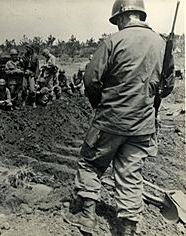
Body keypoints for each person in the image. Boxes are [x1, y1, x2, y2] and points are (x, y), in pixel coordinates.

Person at [64, 1, 174, 235]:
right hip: (143, 124)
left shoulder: (113, 41)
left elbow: (91, 79)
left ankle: (87, 217)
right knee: (130, 173)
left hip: (111, 120)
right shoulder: (162, 44)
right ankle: (128, 226)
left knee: (91, 163)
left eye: (117, 22)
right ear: (140, 14)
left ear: (122, 17)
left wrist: (100, 106)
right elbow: (168, 86)